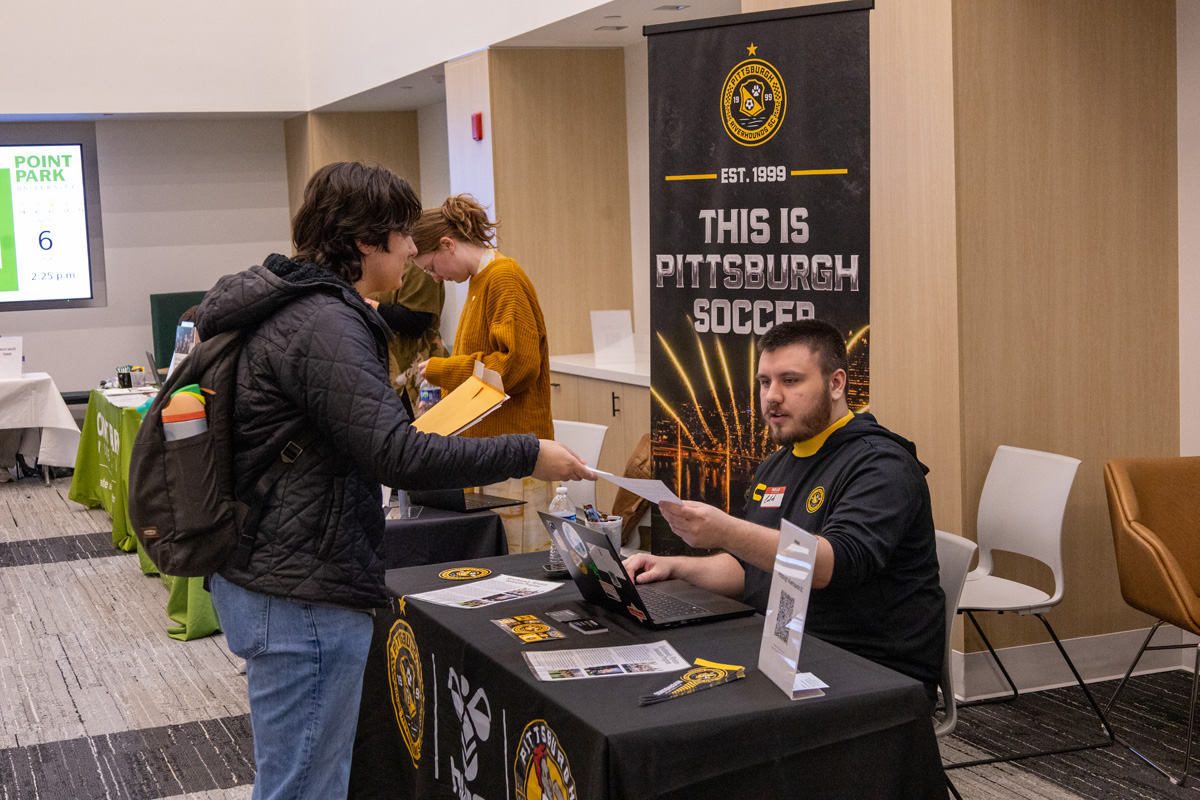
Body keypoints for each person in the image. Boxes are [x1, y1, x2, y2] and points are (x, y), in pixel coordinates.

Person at [194, 162, 593, 800]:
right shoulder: (326, 321)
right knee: (306, 784)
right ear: (363, 241)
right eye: (403, 235)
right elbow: (394, 453)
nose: (413, 250)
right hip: (301, 590)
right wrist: (527, 451)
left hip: (267, 571)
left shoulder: (284, 306)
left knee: (294, 774)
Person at [624, 319, 945, 706]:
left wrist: (726, 531)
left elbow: (831, 565)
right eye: (764, 382)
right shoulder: (779, 462)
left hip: (870, 669)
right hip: (785, 647)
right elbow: (751, 569)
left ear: (837, 383)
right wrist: (674, 567)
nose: (771, 396)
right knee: (648, 685)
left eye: (790, 381)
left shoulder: (881, 466)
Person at [412, 195, 556, 553]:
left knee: (518, 563)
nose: (435, 277)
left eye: (431, 267)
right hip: (489, 450)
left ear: (447, 244)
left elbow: (517, 366)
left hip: (513, 452)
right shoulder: (480, 281)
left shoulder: (503, 278)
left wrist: (443, 369)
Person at [364, 262, 448, 410]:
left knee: (423, 424)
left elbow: (416, 321)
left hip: (416, 371)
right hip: (381, 368)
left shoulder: (417, 263)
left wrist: (368, 305)